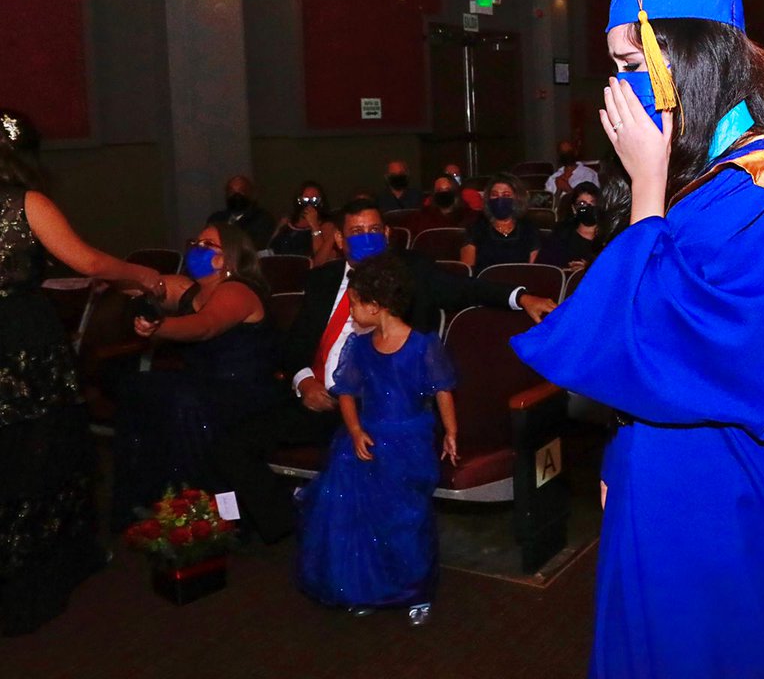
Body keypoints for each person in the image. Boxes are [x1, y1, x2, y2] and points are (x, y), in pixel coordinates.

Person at [511, 0, 764, 677]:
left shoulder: (763, 192)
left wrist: (645, 186)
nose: (618, 87)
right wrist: (625, 450)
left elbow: (669, 345)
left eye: (633, 66)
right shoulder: (706, 174)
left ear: (687, 62)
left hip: (724, 480)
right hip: (668, 456)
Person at [210, 198, 556, 544]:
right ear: (340, 240)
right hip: (320, 400)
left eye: (374, 230)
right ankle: (285, 523)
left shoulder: (411, 271)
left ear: (388, 234)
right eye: (356, 232)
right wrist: (305, 381)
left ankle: (339, 533)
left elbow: (468, 289)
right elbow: (296, 345)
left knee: (353, 459)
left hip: (379, 407)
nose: (366, 238)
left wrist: (521, 296)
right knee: (230, 442)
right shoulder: (323, 279)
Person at [0, 110, 161, 635]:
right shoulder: (25, 204)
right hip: (22, 343)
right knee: (41, 456)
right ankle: (32, 579)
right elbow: (88, 264)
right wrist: (140, 275)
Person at [296, 252, 457, 622]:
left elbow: (443, 389)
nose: (350, 312)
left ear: (377, 304)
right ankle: (371, 586)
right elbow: (347, 392)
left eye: (354, 304)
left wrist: (451, 431)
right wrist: (354, 430)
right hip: (367, 439)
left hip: (408, 443)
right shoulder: (361, 346)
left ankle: (416, 590)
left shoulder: (422, 345)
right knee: (362, 519)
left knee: (406, 519)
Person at [113, 223, 278, 528]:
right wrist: (118, 279)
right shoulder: (190, 289)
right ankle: (148, 497)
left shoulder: (238, 290)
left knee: (185, 401)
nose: (197, 248)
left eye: (207, 244)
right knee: (137, 387)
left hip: (244, 390)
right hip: (202, 384)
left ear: (227, 257)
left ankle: (216, 514)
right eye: (196, 242)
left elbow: (206, 326)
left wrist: (160, 326)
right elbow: (144, 284)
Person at [461, 173, 540, 272]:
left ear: (517, 198)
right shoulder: (476, 228)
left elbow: (534, 271)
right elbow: (467, 271)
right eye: (494, 195)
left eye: (506, 195)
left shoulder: (529, 229)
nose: (499, 199)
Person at [267, 180, 338, 265]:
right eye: (305, 199)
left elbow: (321, 258)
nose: (309, 204)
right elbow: (270, 247)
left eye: (314, 200)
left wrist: (314, 226)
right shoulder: (287, 222)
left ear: (321, 202)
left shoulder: (327, 225)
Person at [537, 182, 602, 270]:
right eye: (582, 204)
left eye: (593, 202)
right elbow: (545, 269)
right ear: (574, 208)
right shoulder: (560, 236)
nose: (589, 207)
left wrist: (589, 268)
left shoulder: (610, 237)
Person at [207, 175, 275, 250]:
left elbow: (255, 247)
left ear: (251, 194)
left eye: (242, 191)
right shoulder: (216, 219)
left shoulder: (263, 219)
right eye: (231, 191)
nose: (236, 195)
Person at [407, 173, 477, 235]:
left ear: (455, 192)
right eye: (439, 190)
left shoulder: (469, 216)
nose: (443, 193)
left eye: (447, 190)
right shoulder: (422, 217)